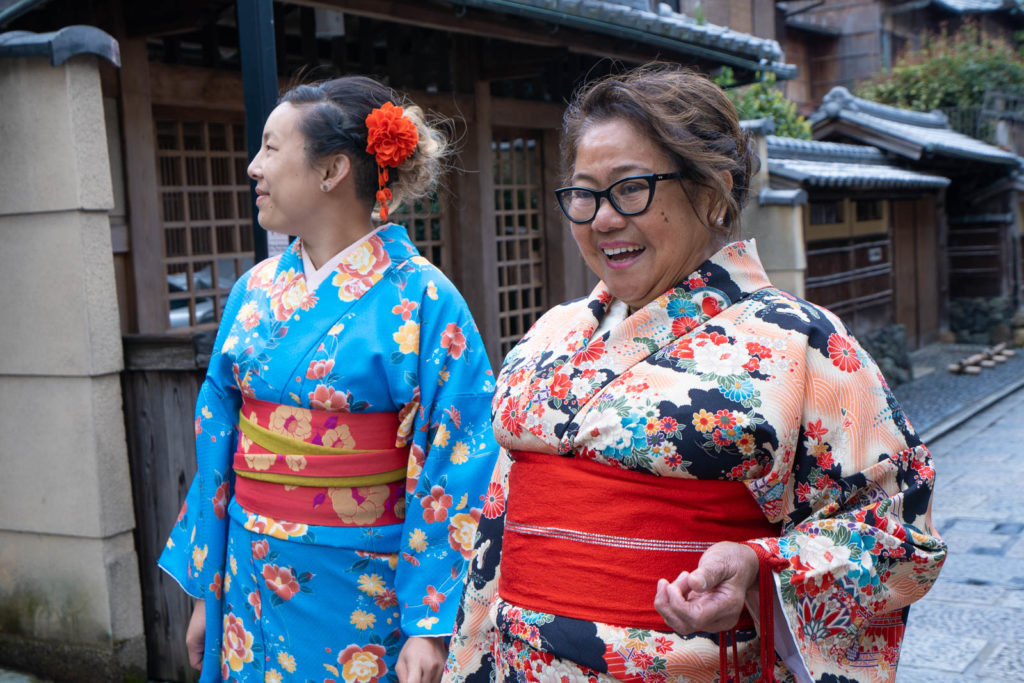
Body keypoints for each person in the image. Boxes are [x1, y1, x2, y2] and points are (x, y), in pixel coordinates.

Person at [442, 63, 946, 683]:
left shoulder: (801, 343)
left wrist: (760, 566)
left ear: (713, 192)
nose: (601, 218)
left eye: (630, 188)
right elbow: (501, 522)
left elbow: (901, 537)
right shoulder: (550, 333)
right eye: (584, 193)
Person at [159, 75, 498, 683]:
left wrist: (429, 624)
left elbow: (459, 456)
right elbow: (218, 442)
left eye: (270, 147)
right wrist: (205, 591)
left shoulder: (423, 298)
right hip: (248, 576)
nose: (252, 167)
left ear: (331, 170)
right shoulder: (256, 289)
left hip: (362, 584)